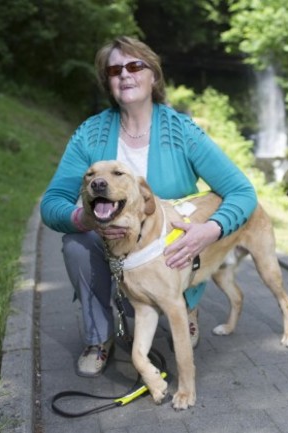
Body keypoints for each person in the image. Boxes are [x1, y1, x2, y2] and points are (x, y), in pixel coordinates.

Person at [40, 36, 257, 377]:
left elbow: (242, 192)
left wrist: (209, 230)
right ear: (107, 81)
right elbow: (51, 204)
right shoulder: (89, 135)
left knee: (172, 279)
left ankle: (187, 307)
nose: (125, 74)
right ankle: (100, 338)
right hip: (112, 246)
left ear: (153, 75)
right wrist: (84, 219)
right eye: (115, 69)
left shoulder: (182, 131)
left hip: (167, 254)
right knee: (77, 245)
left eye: (134, 65)